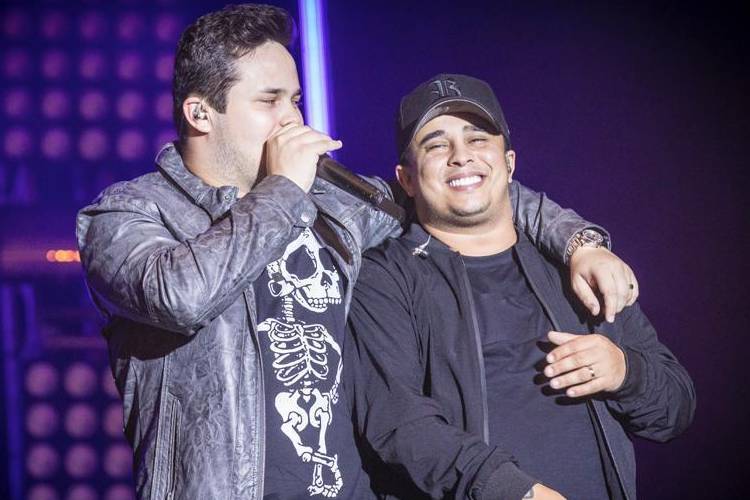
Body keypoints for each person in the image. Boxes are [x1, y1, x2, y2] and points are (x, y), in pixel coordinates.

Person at [76, 5, 638, 498]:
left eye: (295, 100)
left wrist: (579, 242)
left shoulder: (332, 204)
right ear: (200, 113)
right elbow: (179, 296)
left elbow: (456, 189)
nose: (292, 119)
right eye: (269, 101)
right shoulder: (128, 215)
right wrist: (283, 190)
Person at [347, 73, 696, 500]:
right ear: (406, 179)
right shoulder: (384, 279)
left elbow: (675, 409)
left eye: (477, 139)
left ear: (509, 163)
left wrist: (625, 371)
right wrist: (515, 491)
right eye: (436, 145)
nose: (461, 156)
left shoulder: (578, 268)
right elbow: (397, 423)